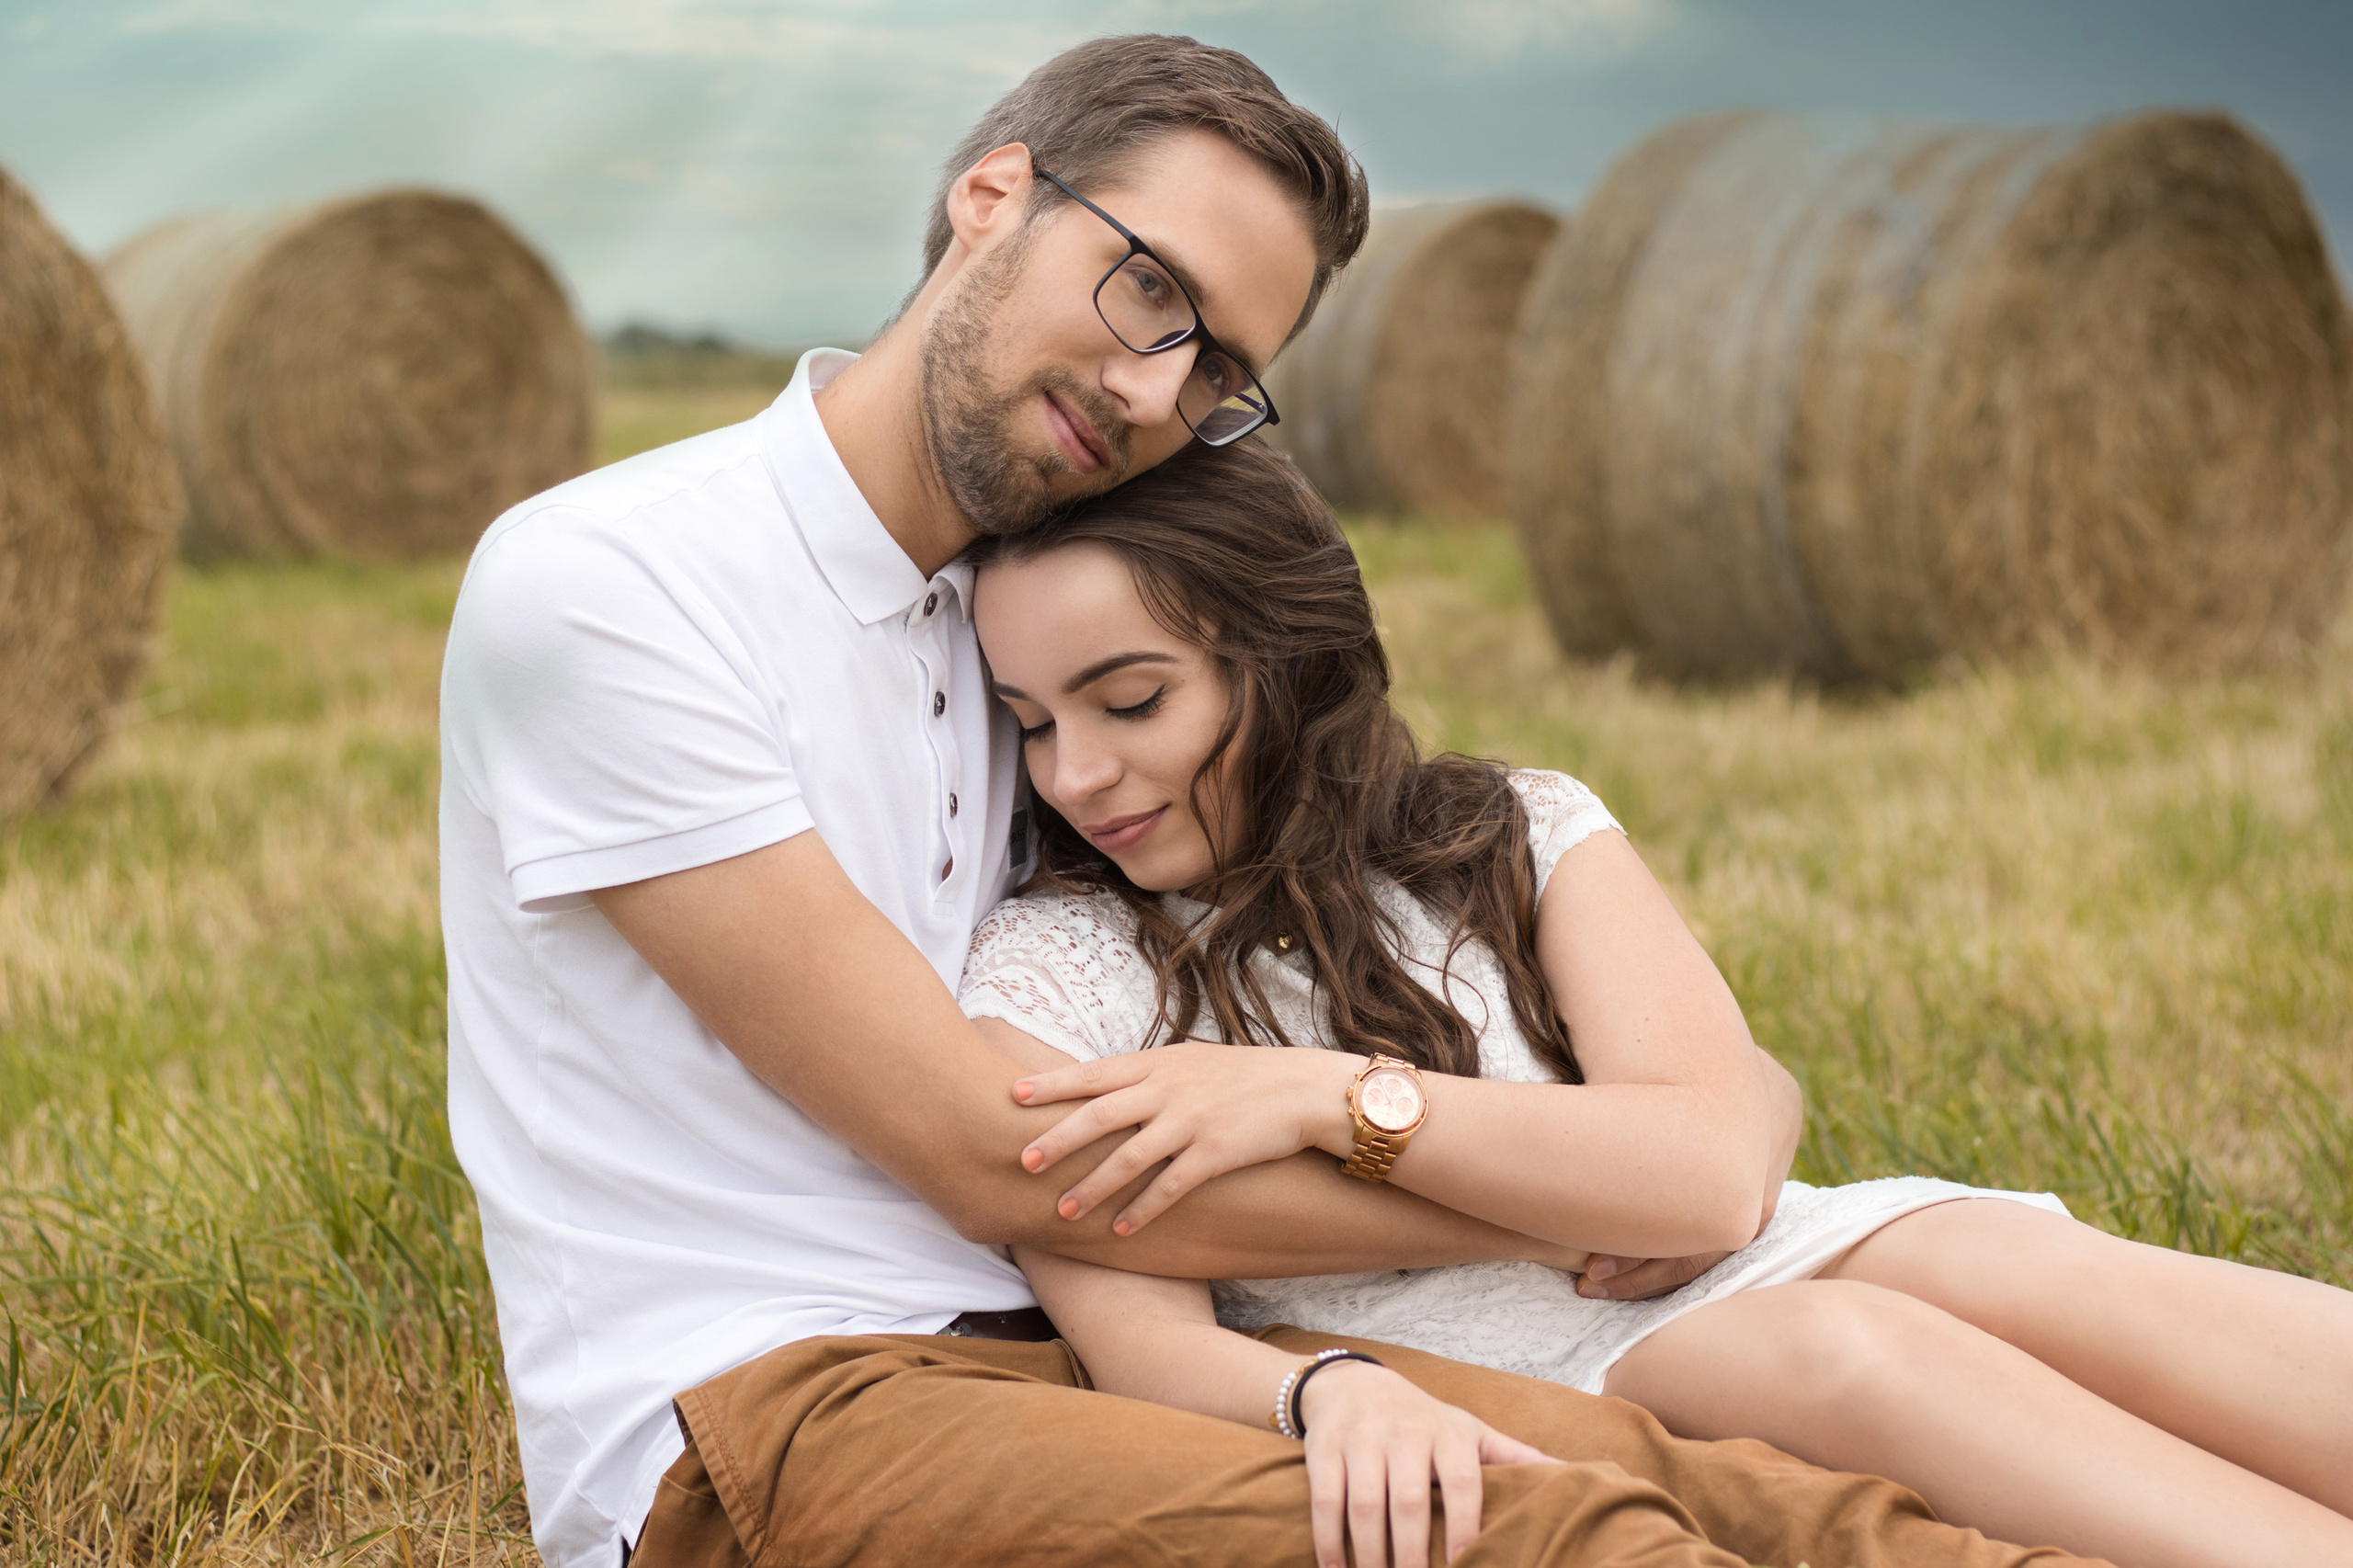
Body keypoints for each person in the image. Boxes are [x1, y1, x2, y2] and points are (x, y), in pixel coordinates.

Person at [440, 32, 2118, 1568]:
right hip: (789, 1405)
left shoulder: (1018, 628)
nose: (1157, 391)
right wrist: (1621, 1177)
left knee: (1802, 1514)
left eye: (1217, 366)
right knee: (1572, 1548)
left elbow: (1354, 876)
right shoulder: (614, 583)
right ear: (991, 194)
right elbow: (1003, 1157)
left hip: (1143, 1348)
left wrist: (1727, 1118)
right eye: (1144, 289)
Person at [954, 436, 2353, 1568]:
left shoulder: (1512, 827)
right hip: (1539, 1358)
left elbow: (1706, 1173)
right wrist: (1322, 1389)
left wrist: (1330, 1096)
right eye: (1029, 718)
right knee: (1849, 1352)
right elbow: (1139, 1344)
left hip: (1761, 1247)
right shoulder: (1049, 974)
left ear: (1283, 657)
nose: (1075, 774)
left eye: (1130, 700)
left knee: (2015, 1264)